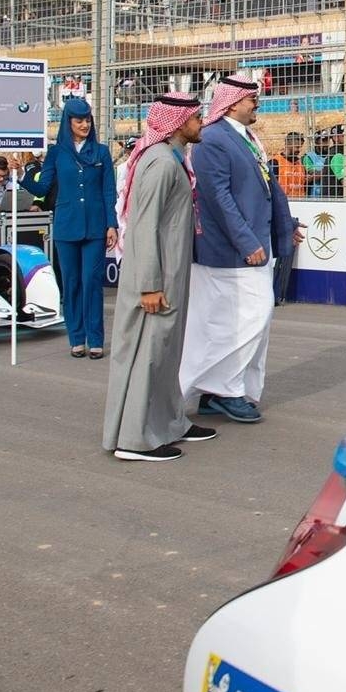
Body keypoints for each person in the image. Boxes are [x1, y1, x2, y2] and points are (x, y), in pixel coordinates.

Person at [103, 94, 216, 462]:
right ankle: (134, 439)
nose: (201, 123)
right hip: (156, 279)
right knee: (149, 354)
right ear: (178, 122)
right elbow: (143, 227)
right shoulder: (160, 164)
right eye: (196, 118)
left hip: (170, 273)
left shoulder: (172, 158)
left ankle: (170, 422)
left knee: (167, 352)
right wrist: (150, 284)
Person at [179, 77, 299, 424]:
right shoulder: (213, 139)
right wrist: (248, 243)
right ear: (232, 103)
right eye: (251, 98)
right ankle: (223, 390)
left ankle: (220, 391)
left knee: (242, 322)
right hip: (229, 252)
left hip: (252, 246)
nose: (257, 103)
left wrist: (286, 227)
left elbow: (264, 189)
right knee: (248, 318)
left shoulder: (244, 138)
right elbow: (218, 198)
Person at [15, 98, 118, 360]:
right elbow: (42, 187)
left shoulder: (102, 152)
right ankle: (76, 338)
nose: (84, 124)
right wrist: (22, 174)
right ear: (68, 122)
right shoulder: (57, 153)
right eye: (78, 120)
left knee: (91, 282)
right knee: (71, 283)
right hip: (66, 226)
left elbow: (108, 192)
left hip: (95, 227)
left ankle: (96, 339)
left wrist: (111, 224)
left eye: (87, 119)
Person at [269, 131, 308, 306]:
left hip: (299, 208)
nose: (298, 149)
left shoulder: (300, 164)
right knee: (278, 255)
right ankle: (273, 293)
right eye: (295, 145)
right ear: (287, 144)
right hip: (281, 213)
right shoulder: (275, 163)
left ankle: (280, 293)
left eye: (300, 146)